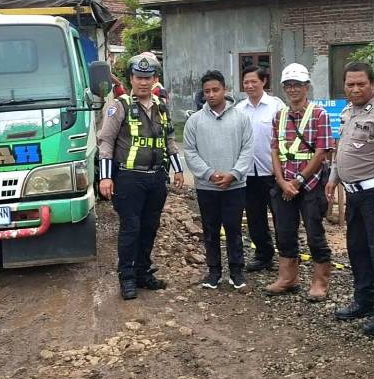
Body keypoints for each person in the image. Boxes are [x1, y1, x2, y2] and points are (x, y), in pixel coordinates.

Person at [325, 62, 374, 336]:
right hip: (353, 194)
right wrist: (334, 176)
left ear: (373, 85)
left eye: (361, 84)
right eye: (350, 84)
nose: (355, 89)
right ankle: (363, 301)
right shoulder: (348, 112)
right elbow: (341, 148)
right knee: (357, 249)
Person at [97, 54, 185, 301]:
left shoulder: (162, 106)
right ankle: (126, 277)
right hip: (128, 179)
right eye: (138, 77)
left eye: (148, 78)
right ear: (131, 79)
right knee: (131, 228)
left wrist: (178, 169)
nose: (143, 82)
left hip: (156, 178)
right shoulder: (120, 106)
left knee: (149, 227)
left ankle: (142, 272)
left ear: (155, 79)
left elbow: (168, 141)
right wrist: (105, 177)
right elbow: (106, 142)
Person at [263, 63, 334, 301]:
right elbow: (274, 150)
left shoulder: (318, 115)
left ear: (307, 87)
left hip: (311, 184)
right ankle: (288, 277)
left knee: (315, 232)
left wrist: (299, 180)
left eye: (298, 85)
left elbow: (322, 151)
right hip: (284, 183)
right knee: (284, 231)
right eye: (289, 85)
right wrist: (282, 182)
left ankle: (320, 281)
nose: (293, 90)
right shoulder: (279, 116)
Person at [184, 70, 254, 290]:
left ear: (225, 90)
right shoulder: (194, 121)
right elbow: (190, 152)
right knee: (210, 230)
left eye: (216, 90)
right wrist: (209, 174)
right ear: (202, 94)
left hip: (235, 185)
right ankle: (213, 272)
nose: (211, 94)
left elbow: (247, 149)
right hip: (207, 187)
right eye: (207, 91)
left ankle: (236, 272)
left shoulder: (241, 118)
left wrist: (233, 174)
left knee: (234, 229)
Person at [236, 65, 286, 272]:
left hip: (274, 173)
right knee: (255, 218)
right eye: (246, 82)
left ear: (264, 82)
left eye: (253, 81)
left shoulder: (276, 106)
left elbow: (286, 137)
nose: (249, 86)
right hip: (249, 174)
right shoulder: (239, 109)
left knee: (282, 217)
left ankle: (288, 257)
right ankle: (263, 256)